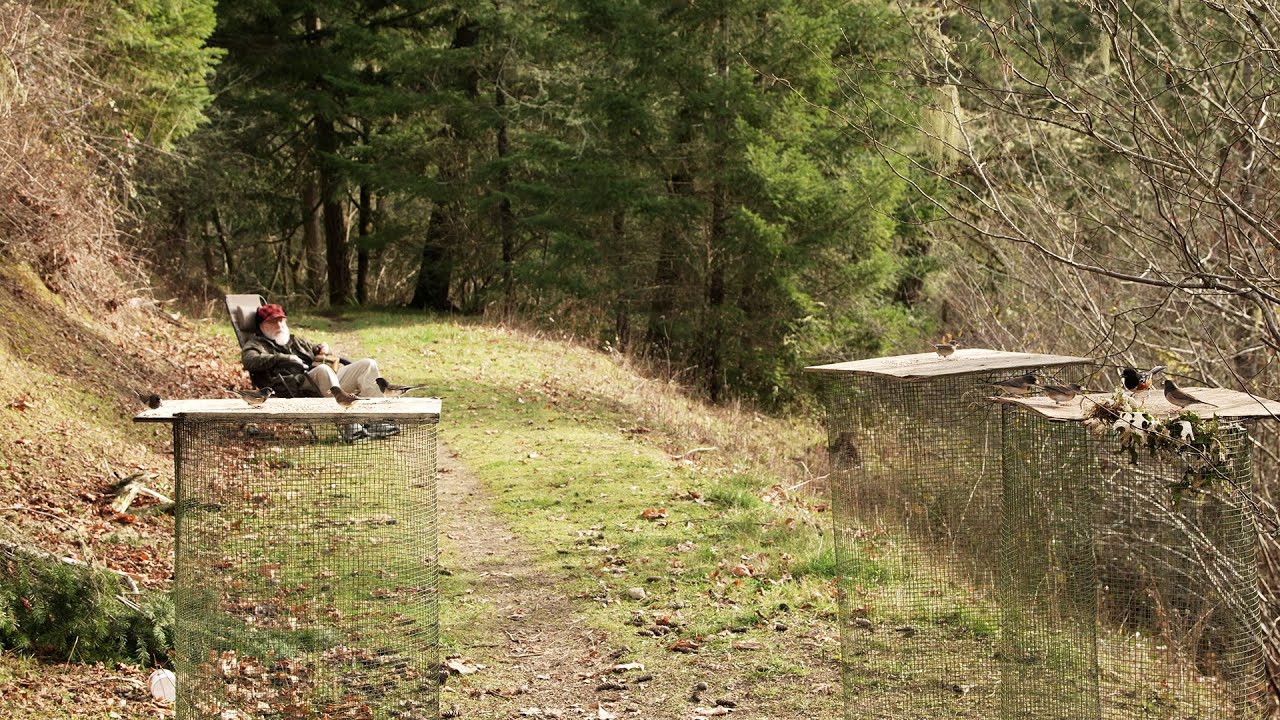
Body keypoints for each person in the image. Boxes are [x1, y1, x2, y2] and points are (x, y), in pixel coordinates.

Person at [240, 303, 398, 440]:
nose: (280, 326)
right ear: (262, 326)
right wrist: (283, 358)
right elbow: (249, 360)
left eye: (282, 320)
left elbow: (314, 350)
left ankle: (377, 421)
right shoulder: (256, 344)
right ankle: (351, 426)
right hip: (298, 387)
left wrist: (322, 348)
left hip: (324, 384)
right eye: (273, 322)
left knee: (367, 364)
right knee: (323, 370)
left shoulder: (294, 341)